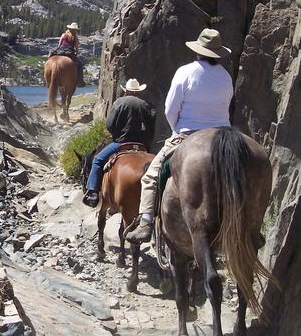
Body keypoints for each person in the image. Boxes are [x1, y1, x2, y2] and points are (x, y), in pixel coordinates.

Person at [125, 28, 233, 244]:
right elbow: (227, 105)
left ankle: (146, 221)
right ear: (218, 53)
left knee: (151, 176)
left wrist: (178, 131)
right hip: (224, 135)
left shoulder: (185, 72)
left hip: (188, 132)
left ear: (198, 51)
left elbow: (170, 109)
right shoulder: (225, 75)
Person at [83, 78, 156, 208]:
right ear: (138, 91)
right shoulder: (147, 105)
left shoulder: (119, 102)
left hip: (121, 143)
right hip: (142, 145)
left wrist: (117, 136)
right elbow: (151, 127)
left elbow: (110, 124)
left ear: (126, 91)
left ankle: (92, 192)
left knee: (98, 160)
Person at [57, 22, 85, 87]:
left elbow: (59, 44)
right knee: (80, 65)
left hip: (60, 51)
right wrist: (77, 52)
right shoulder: (75, 36)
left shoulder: (63, 35)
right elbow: (76, 47)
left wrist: (58, 50)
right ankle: (80, 81)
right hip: (69, 52)